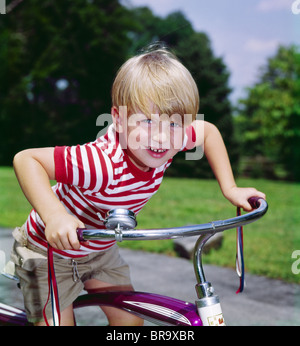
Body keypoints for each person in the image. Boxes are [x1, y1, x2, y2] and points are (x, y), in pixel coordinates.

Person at [12, 47, 266, 326]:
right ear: (118, 120)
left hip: (99, 250)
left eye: (174, 124)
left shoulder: (172, 139)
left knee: (131, 322)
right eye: (146, 121)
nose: (161, 137)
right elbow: (27, 160)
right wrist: (55, 216)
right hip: (49, 253)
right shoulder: (101, 163)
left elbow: (208, 132)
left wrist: (230, 188)